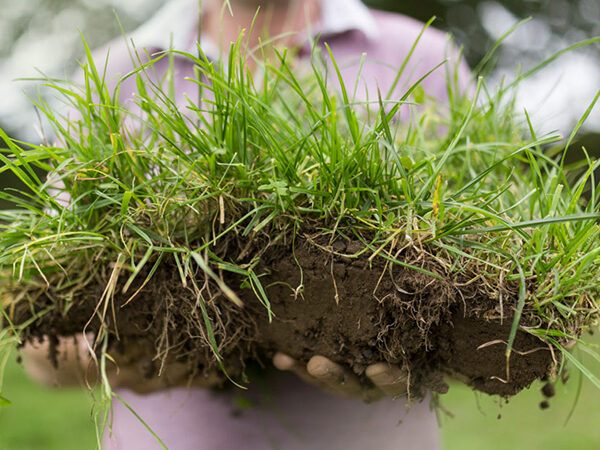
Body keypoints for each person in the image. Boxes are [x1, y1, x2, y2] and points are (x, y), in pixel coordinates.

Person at [23, 0, 471, 448]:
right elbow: (41, 338)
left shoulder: (422, 54)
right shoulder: (113, 72)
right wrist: (119, 356)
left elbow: (498, 288)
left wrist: (420, 348)